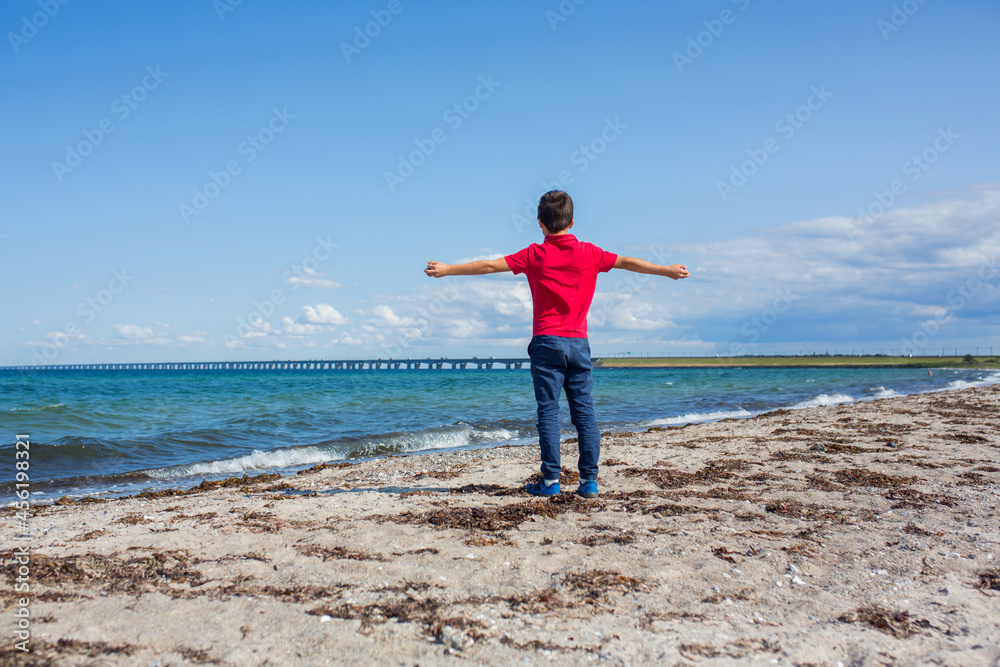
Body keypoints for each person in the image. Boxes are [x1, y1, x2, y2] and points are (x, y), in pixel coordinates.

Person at [424, 190, 689, 498]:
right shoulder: (590, 253)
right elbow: (627, 262)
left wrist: (448, 269)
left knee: (548, 412)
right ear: (572, 222)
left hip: (547, 342)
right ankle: (589, 481)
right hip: (578, 343)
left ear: (540, 223)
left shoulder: (535, 254)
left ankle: (550, 481)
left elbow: (489, 267)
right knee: (584, 413)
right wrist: (666, 270)